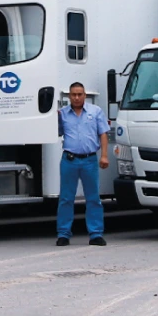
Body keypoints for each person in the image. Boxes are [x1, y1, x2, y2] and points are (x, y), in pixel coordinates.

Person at [56, 82, 110, 246]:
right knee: (66, 198)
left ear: (85, 95)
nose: (77, 97)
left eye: (80, 94)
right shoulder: (63, 114)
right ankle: (63, 234)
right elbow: (56, 132)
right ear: (69, 96)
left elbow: (103, 134)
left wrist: (104, 156)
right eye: (73, 94)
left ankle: (95, 234)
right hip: (69, 160)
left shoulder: (95, 112)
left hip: (89, 160)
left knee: (93, 198)